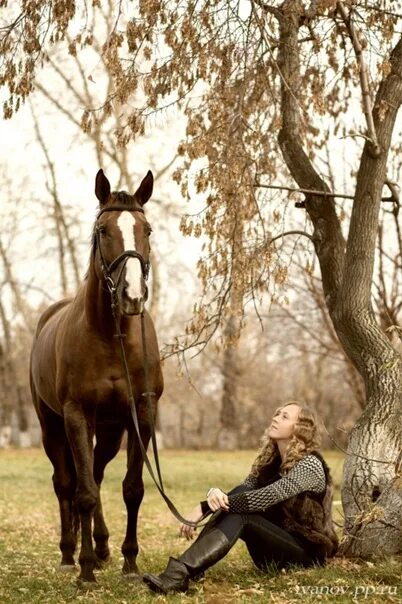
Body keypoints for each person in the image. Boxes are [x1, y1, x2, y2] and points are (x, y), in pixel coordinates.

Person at [143, 401, 339, 594]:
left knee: (241, 511)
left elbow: (265, 497)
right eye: (277, 413)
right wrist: (213, 494)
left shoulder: (310, 464)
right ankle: (182, 574)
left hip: (305, 553)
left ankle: (179, 574)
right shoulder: (269, 462)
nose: (276, 418)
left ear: (300, 429)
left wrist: (204, 507)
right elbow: (242, 493)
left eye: (284, 416)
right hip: (270, 551)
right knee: (238, 497)